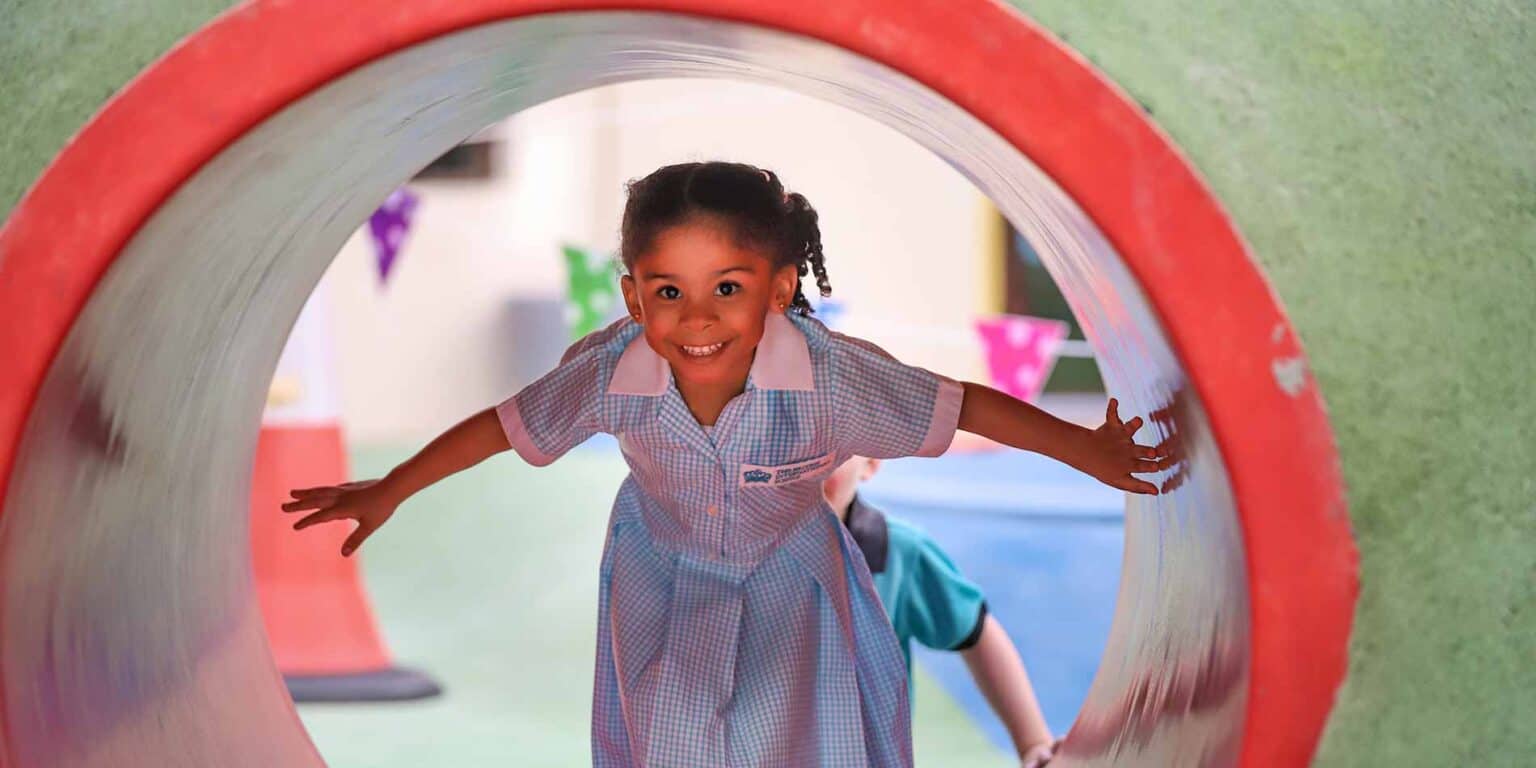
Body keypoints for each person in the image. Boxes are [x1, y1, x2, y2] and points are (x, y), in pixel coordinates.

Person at [284, 161, 1166, 767]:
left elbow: (962, 403)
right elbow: (506, 426)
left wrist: (1084, 449)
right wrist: (393, 486)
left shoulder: (828, 375)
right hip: (661, 576)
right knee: (672, 732)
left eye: (728, 289)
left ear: (780, 288)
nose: (696, 318)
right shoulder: (611, 368)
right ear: (632, 292)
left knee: (804, 735)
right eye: (668, 291)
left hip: (795, 579)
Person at [823, 456, 1060, 767]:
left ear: (870, 463)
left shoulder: (897, 554)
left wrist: (1033, 740)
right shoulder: (741, 553)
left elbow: (976, 632)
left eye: (832, 447)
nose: (805, 462)